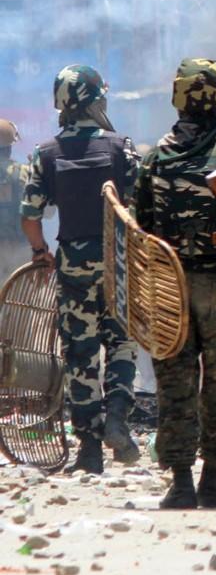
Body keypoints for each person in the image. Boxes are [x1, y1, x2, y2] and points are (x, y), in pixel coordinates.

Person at [133, 58, 216, 510]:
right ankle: (214, 480)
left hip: (169, 287)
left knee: (175, 381)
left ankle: (180, 482)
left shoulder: (154, 157)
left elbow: (138, 225)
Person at [20, 65, 139, 474]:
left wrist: (40, 252)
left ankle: (89, 450)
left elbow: (31, 216)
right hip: (119, 265)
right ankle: (119, 416)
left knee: (81, 353)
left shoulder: (46, 153)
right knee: (121, 343)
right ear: (95, 101)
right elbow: (143, 212)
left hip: (72, 266)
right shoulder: (122, 147)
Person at [0, 119, 31, 280]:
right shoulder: (25, 173)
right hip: (20, 250)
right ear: (10, 147)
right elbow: (46, 212)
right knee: (20, 300)